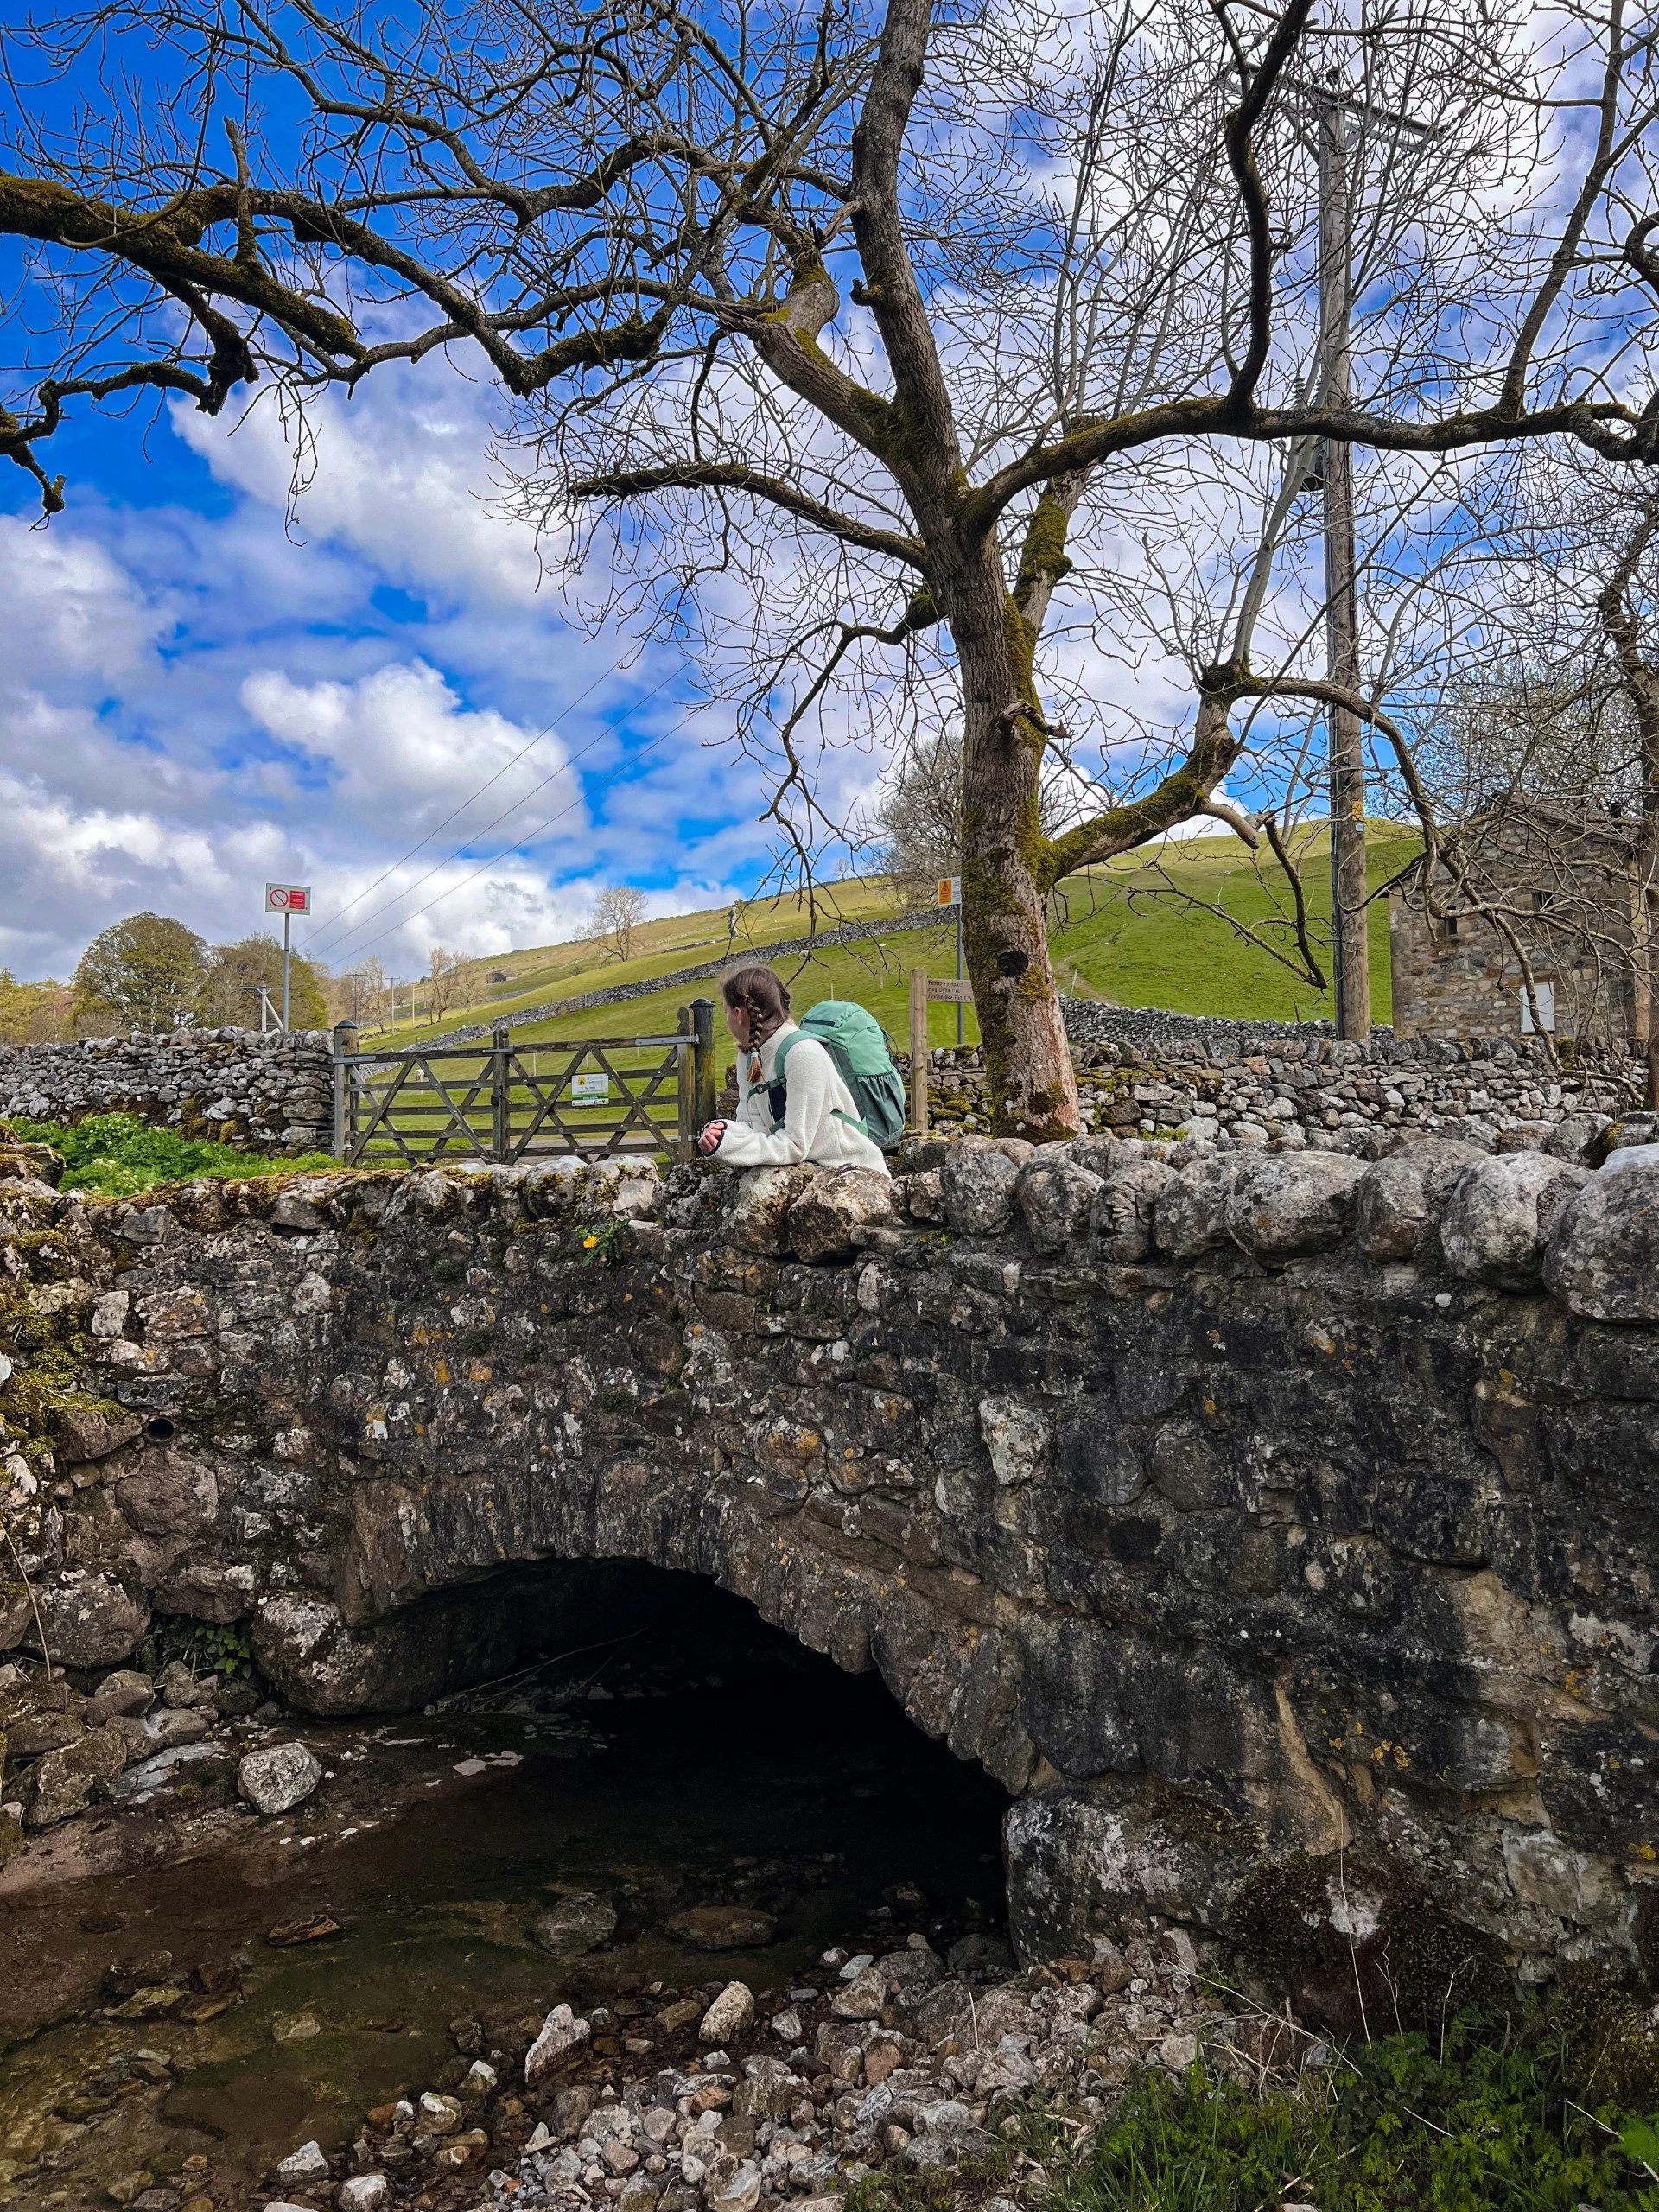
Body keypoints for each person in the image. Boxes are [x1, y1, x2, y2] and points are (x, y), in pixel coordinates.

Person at [697, 966, 891, 1174]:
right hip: (812, 1174)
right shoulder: (748, 1056)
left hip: (853, 1176)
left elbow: (795, 1145)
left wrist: (728, 1147)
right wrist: (724, 1132)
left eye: (725, 1011)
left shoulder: (803, 1053)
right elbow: (754, 1126)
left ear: (738, 1014)